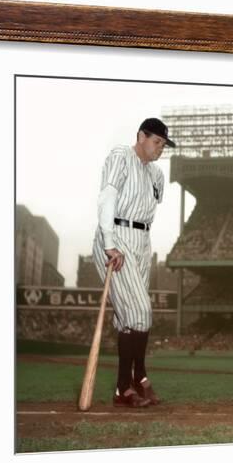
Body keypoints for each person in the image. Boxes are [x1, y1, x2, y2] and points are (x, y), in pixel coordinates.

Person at [92, 118, 175, 408]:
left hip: (142, 242)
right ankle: (138, 376)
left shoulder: (156, 175)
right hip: (117, 237)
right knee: (141, 312)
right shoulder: (120, 156)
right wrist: (109, 243)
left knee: (130, 322)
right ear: (141, 136)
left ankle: (123, 389)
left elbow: (148, 208)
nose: (160, 149)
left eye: (164, 145)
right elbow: (108, 197)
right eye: (156, 142)